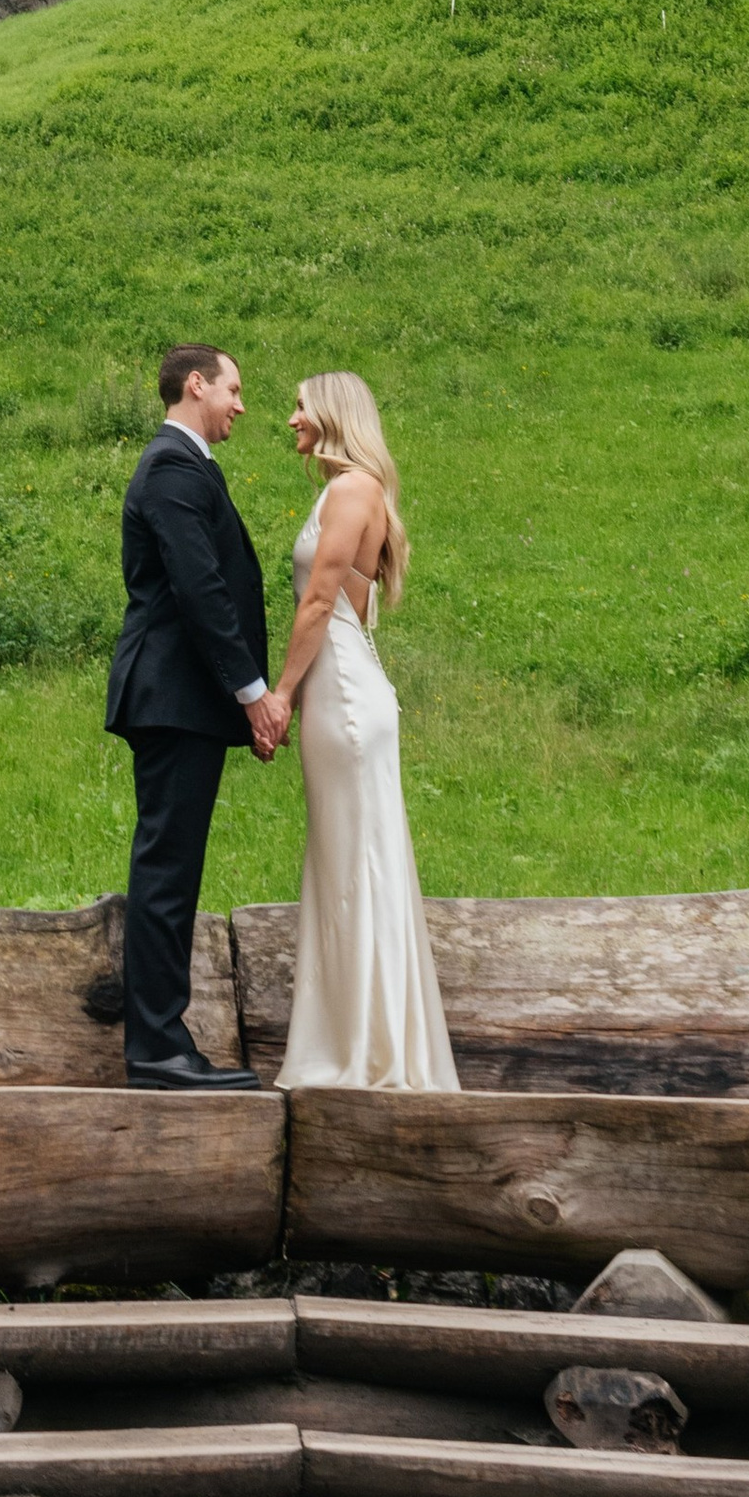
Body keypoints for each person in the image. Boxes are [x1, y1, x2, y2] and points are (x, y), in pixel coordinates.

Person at [273, 372, 458, 1091]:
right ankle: (368, 1037)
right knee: (353, 857)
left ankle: (360, 1049)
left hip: (342, 694)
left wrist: (281, 694)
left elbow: (319, 600)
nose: (290, 418)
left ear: (330, 417)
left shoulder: (351, 490)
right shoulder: (352, 489)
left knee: (357, 861)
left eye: (300, 407)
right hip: (346, 690)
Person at [106, 345, 276, 1090]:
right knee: (167, 871)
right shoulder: (173, 466)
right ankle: (156, 1047)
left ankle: (164, 1039)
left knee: (174, 867)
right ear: (197, 384)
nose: (241, 404)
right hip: (175, 698)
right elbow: (201, 588)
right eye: (234, 388)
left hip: (183, 702)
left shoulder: (188, 464)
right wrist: (252, 691)